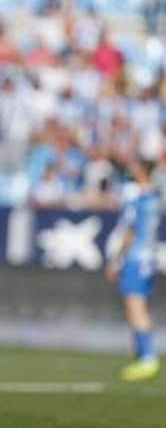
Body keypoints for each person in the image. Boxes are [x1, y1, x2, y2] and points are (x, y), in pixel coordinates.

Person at [106, 158, 161, 381]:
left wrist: (115, 259)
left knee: (135, 307)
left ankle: (147, 358)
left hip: (135, 257)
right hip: (149, 258)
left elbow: (129, 231)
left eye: (135, 166)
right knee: (139, 306)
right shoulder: (154, 198)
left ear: (143, 170)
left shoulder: (137, 199)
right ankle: (143, 355)